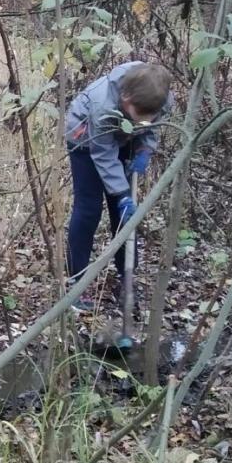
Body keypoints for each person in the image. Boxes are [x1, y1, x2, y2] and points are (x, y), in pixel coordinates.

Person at [64, 62, 173, 310]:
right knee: (89, 209)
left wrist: (145, 149)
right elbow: (103, 154)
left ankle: (127, 279)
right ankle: (75, 284)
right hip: (86, 139)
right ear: (126, 98)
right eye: (140, 115)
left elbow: (151, 127)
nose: (146, 120)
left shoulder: (161, 97)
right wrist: (121, 191)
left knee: (124, 213)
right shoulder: (103, 104)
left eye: (150, 116)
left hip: (125, 135)